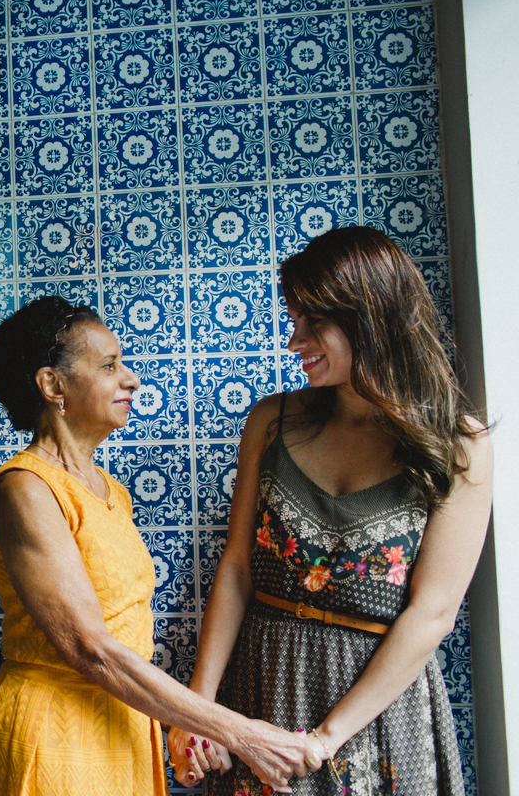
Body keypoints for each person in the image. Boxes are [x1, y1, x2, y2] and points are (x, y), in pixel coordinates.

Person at [166, 226, 493, 795]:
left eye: (313, 323)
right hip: (262, 682)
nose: (295, 341)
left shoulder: (458, 443)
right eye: (295, 321)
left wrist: (325, 737)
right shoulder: (271, 422)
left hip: (379, 708)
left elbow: (434, 612)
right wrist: (202, 712)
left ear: (371, 316)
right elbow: (238, 569)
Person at [0, 296, 318, 796]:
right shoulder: (25, 490)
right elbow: (92, 649)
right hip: (55, 732)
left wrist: (183, 723)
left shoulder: (111, 491)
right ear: (52, 385)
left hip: (125, 726)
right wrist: (240, 733)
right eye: (109, 366)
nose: (130, 379)